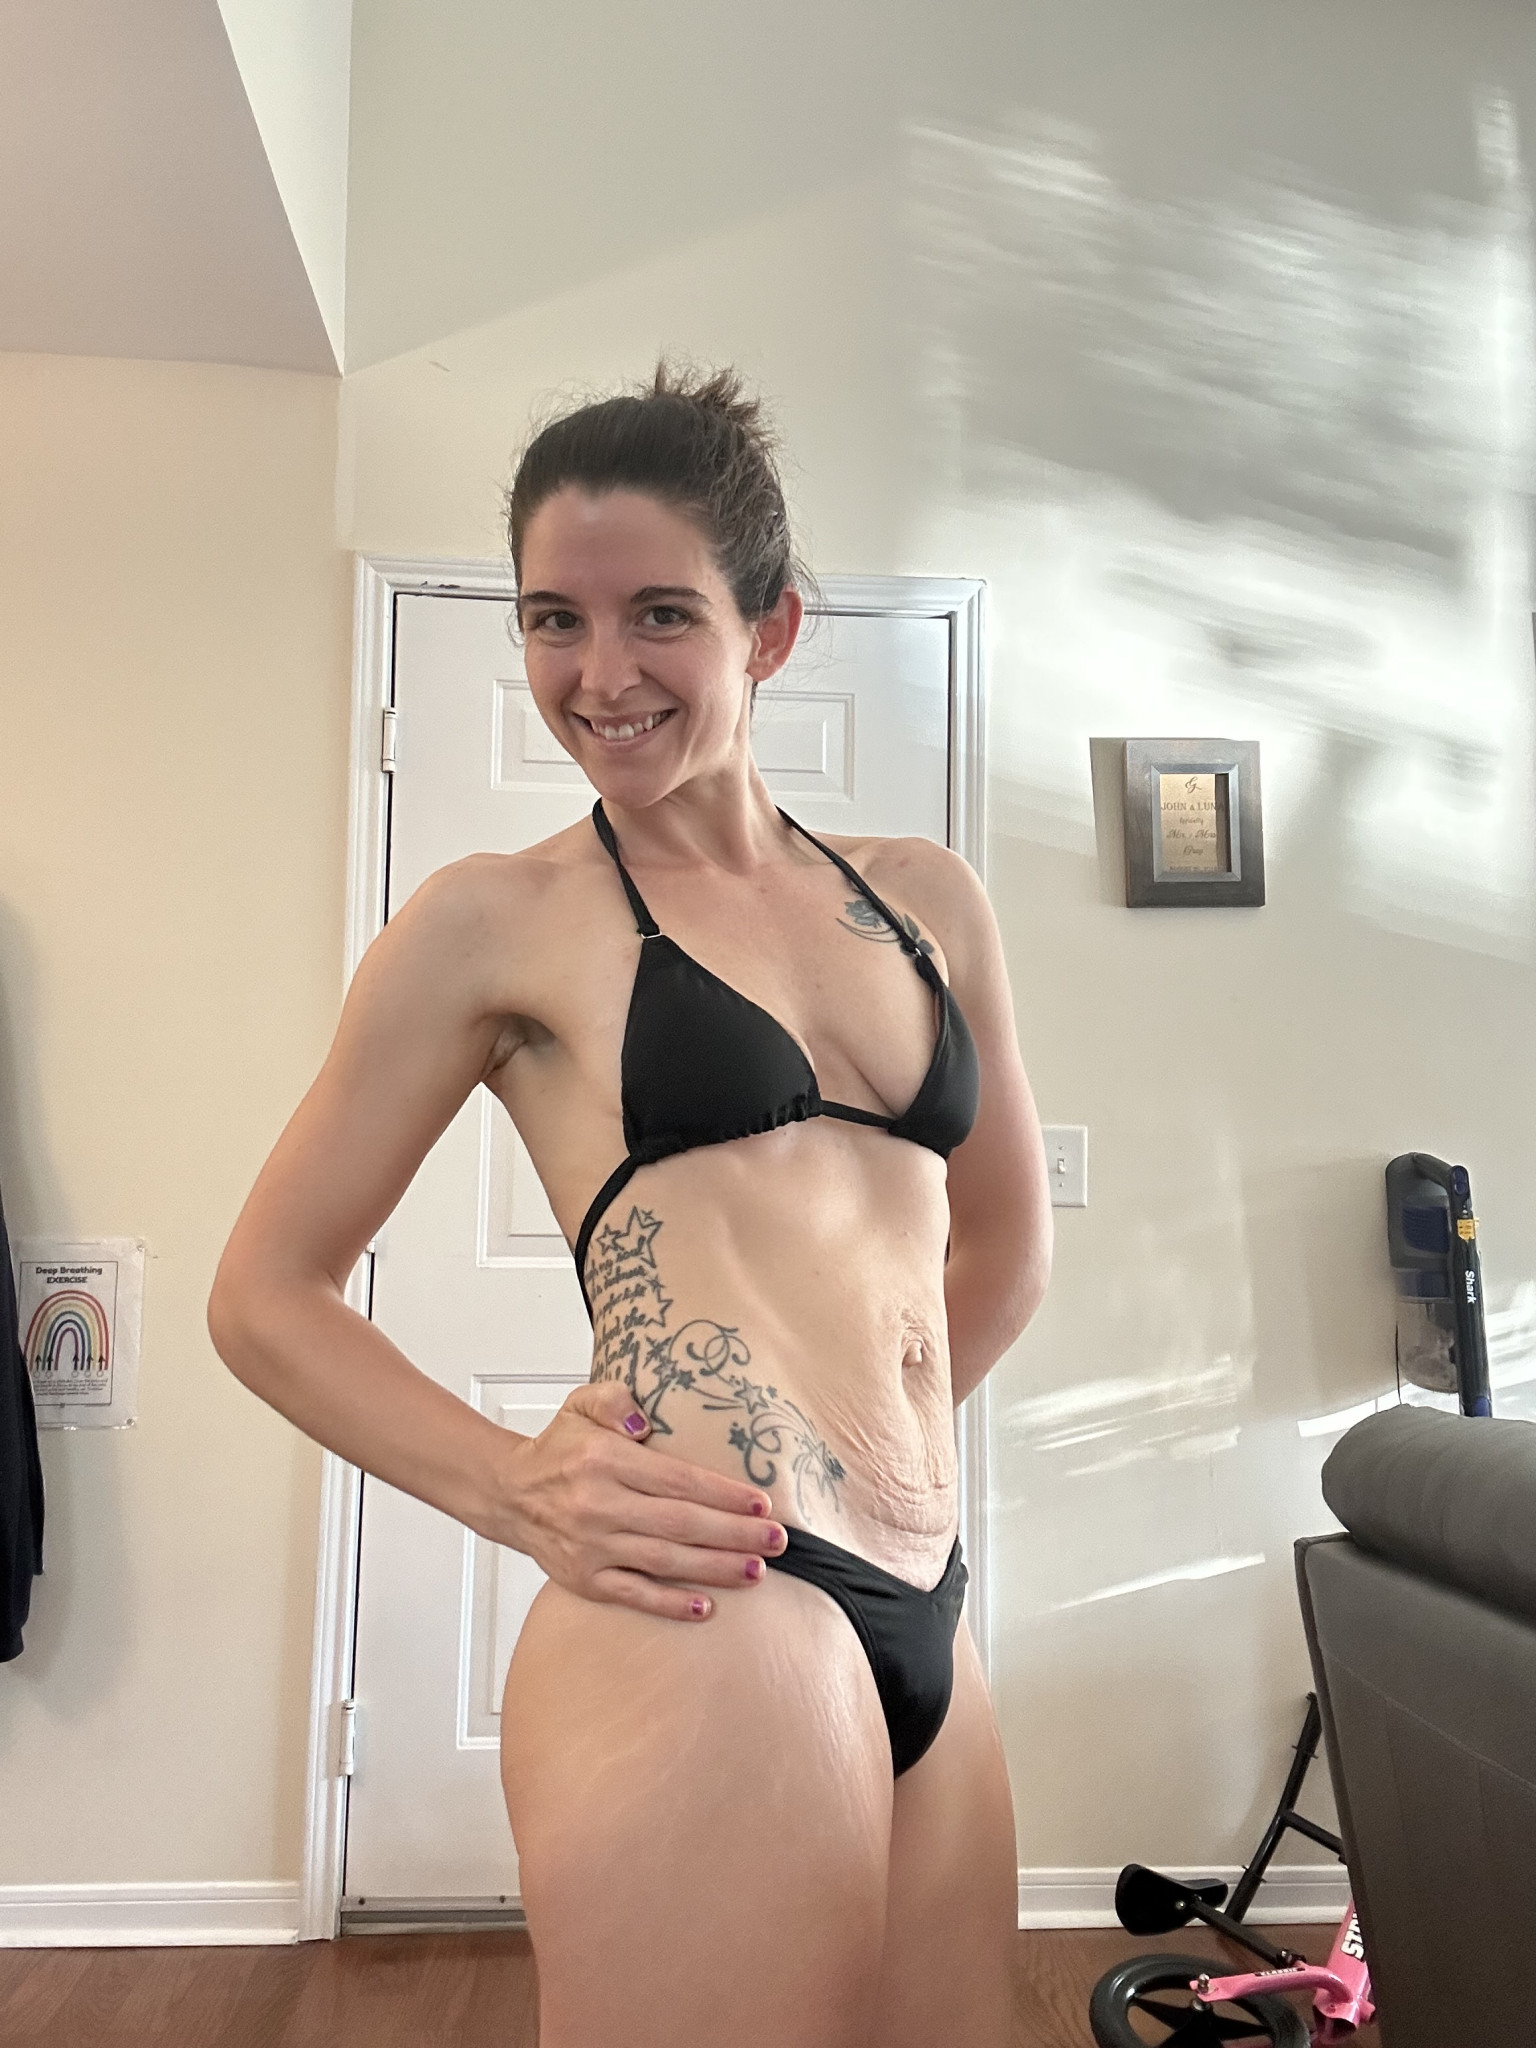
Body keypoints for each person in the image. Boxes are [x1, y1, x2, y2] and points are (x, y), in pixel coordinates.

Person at [209, 362, 1052, 2048]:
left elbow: (1008, 1248)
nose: (600, 675)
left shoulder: (926, 902)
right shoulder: (494, 924)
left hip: (931, 1605)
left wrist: (865, 1450)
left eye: (660, 613)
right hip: (709, 1614)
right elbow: (264, 1294)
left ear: (772, 629)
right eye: (554, 621)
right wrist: (518, 1486)